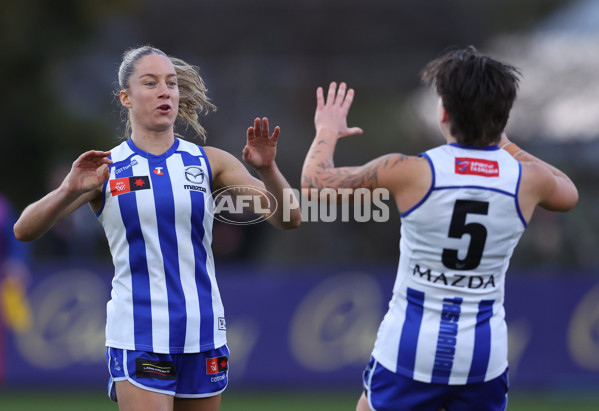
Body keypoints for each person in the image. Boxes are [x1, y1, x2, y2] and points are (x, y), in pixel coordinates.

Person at [14, 45, 301, 411]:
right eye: (150, 83)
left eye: (170, 83)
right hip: (139, 333)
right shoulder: (104, 168)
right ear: (126, 98)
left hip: (203, 331)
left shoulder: (208, 161)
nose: (164, 91)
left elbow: (288, 217)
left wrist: (267, 169)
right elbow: (24, 230)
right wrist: (70, 188)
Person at [301, 46, 578, 411]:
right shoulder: (529, 179)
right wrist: (502, 141)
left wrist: (327, 131)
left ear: (444, 112)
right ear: (503, 116)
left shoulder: (409, 170)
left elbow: (314, 183)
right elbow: (568, 192)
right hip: (484, 354)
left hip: (410, 348)